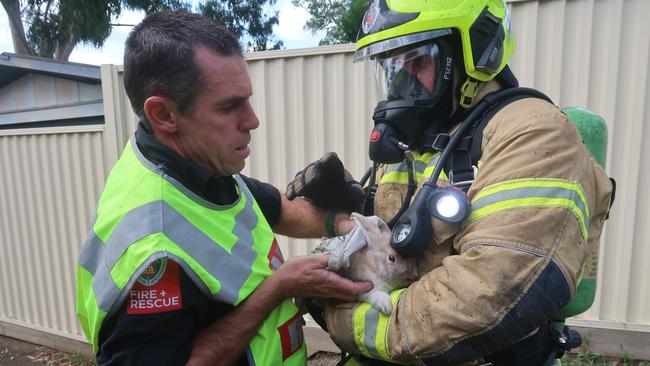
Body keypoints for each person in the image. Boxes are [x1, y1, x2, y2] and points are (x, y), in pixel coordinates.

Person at [286, 0, 614, 364]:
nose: (400, 82)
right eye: (391, 66)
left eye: (417, 61)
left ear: (476, 49)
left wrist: (333, 310)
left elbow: (480, 301)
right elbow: (397, 237)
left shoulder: (535, 134)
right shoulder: (427, 139)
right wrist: (347, 209)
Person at [75, 11, 372, 366]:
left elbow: (279, 208)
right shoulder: (151, 251)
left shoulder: (198, 169)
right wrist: (279, 286)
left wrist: (353, 225)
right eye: (230, 106)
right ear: (164, 115)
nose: (252, 120)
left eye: (246, 99)